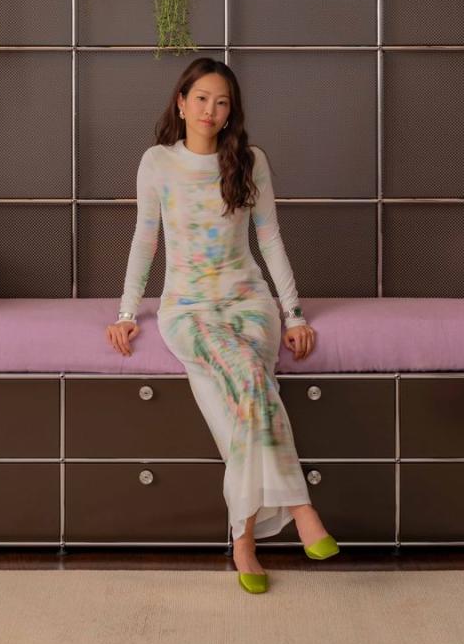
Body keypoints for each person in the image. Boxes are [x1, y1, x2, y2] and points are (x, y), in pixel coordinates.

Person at [106, 57, 339, 595]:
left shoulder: (249, 161)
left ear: (231, 111)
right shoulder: (157, 162)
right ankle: (302, 510)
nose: (212, 109)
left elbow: (271, 240)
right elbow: (146, 239)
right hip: (187, 309)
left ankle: (243, 541)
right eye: (202, 98)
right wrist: (125, 312)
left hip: (248, 304)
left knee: (242, 402)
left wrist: (293, 313)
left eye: (223, 101)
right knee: (253, 379)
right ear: (182, 103)